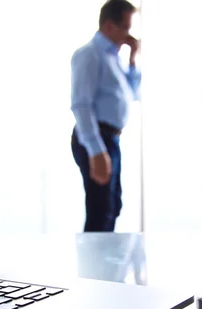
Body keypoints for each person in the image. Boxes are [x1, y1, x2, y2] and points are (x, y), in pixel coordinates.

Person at [70, 0, 141, 232]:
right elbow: (81, 105)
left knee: (112, 206)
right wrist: (96, 151)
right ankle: (93, 268)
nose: (128, 35)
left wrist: (132, 59)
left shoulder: (113, 57)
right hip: (95, 136)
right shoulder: (89, 54)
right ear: (109, 26)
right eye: (125, 28)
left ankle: (104, 266)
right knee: (101, 209)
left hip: (110, 138)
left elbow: (133, 94)